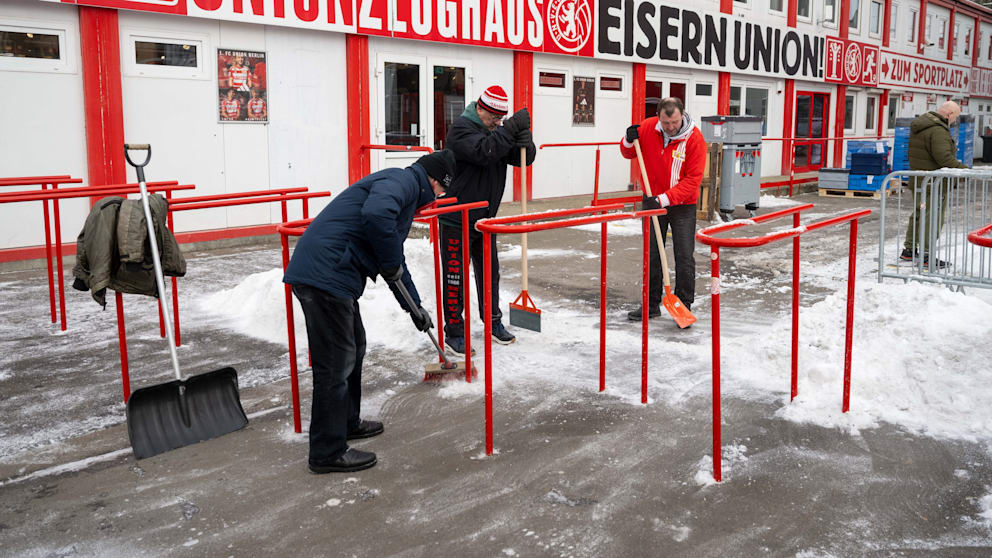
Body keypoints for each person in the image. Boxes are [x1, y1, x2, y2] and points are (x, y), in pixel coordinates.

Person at [283, 149, 456, 474]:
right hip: (325, 275)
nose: (436, 199)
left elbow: (394, 261)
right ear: (434, 181)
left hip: (334, 276)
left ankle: (346, 423)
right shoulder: (402, 181)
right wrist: (390, 263)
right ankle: (326, 450)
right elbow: (377, 218)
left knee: (354, 347)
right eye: (441, 192)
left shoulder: (403, 189)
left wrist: (414, 308)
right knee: (336, 361)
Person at [439, 85, 536, 354]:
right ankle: (455, 331)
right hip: (456, 218)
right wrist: (509, 129)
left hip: (485, 220)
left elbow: (521, 159)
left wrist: (525, 140)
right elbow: (485, 152)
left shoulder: (496, 132)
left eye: (501, 119)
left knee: (490, 274)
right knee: (455, 276)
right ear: (480, 109)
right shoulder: (462, 129)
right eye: (494, 117)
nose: (497, 123)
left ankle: (493, 322)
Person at [619, 97, 706, 321]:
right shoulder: (648, 127)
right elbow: (628, 153)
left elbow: (692, 181)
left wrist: (665, 199)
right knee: (652, 254)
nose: (670, 127)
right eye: (666, 123)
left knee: (684, 254)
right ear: (659, 117)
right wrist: (628, 140)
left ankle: (684, 304)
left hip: (682, 204)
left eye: (674, 122)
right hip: (651, 199)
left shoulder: (694, 139)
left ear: (682, 115)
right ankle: (650, 304)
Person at [901, 100, 967, 269]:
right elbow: (944, 158)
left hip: (920, 180)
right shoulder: (938, 131)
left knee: (919, 213)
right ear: (949, 114)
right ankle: (926, 254)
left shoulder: (923, 125)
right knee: (933, 217)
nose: (955, 121)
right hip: (934, 183)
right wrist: (963, 172)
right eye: (956, 117)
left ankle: (909, 249)